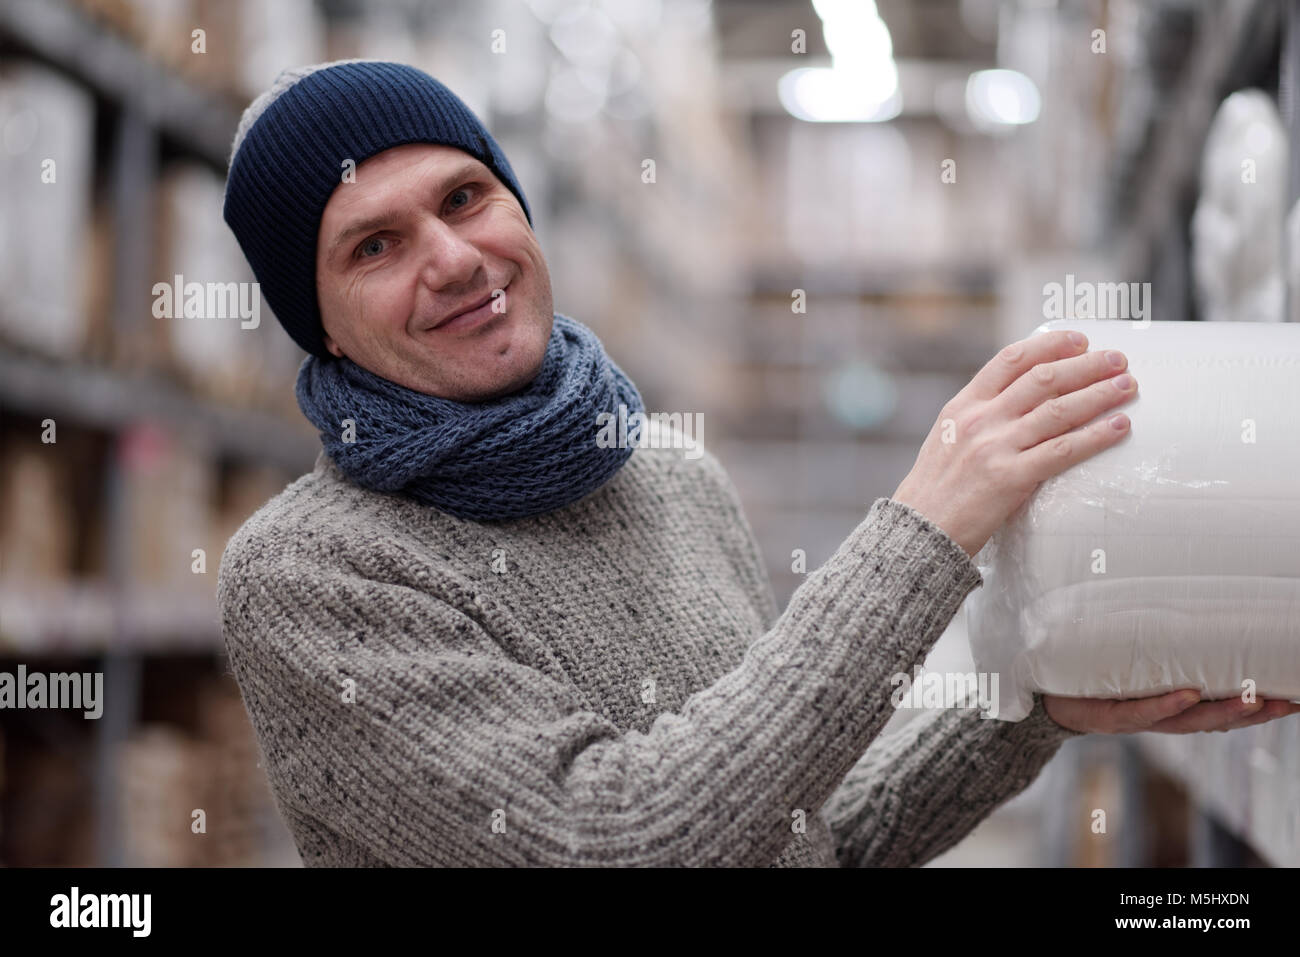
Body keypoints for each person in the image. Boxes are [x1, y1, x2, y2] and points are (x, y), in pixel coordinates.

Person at [216, 60, 1299, 867]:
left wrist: (1038, 710)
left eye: (464, 198)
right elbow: (615, 843)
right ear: (321, 326)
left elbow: (799, 840)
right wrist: (922, 533)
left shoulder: (667, 481)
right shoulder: (314, 576)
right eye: (375, 245)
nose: (453, 260)